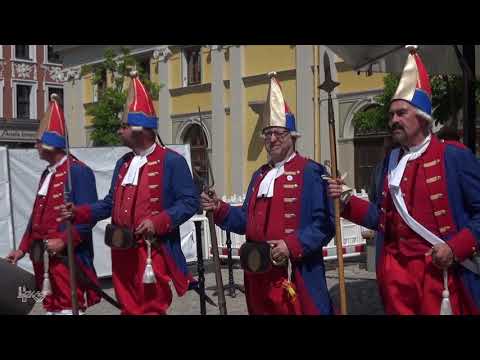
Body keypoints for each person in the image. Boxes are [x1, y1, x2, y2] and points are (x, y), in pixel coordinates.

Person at [327, 46, 480, 315]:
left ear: (422, 118)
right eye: (391, 114)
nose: (393, 120)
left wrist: (455, 248)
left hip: (439, 277)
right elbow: (382, 219)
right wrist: (347, 200)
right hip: (396, 278)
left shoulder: (454, 156)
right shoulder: (390, 161)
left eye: (401, 113)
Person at [61, 71, 199, 315]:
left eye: (123, 127)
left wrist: (158, 222)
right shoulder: (123, 163)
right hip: (121, 250)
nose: (118, 131)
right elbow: (109, 204)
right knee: (128, 307)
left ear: (139, 130)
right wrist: (79, 212)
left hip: (151, 252)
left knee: (150, 308)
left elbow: (190, 202)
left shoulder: (172, 161)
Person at [201, 72, 335, 315]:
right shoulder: (260, 175)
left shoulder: (311, 172)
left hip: (294, 273)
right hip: (258, 274)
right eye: (268, 133)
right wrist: (219, 207)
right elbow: (246, 222)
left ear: (292, 137)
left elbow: (325, 225)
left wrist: (291, 245)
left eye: (279, 133)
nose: (272, 139)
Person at [6, 94, 100, 315]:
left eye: (39, 141)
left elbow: (88, 217)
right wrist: (21, 249)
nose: (35, 145)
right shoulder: (47, 174)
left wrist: (64, 240)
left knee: (69, 306)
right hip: (44, 259)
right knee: (50, 306)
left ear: (50, 144)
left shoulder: (78, 172)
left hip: (68, 258)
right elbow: (35, 218)